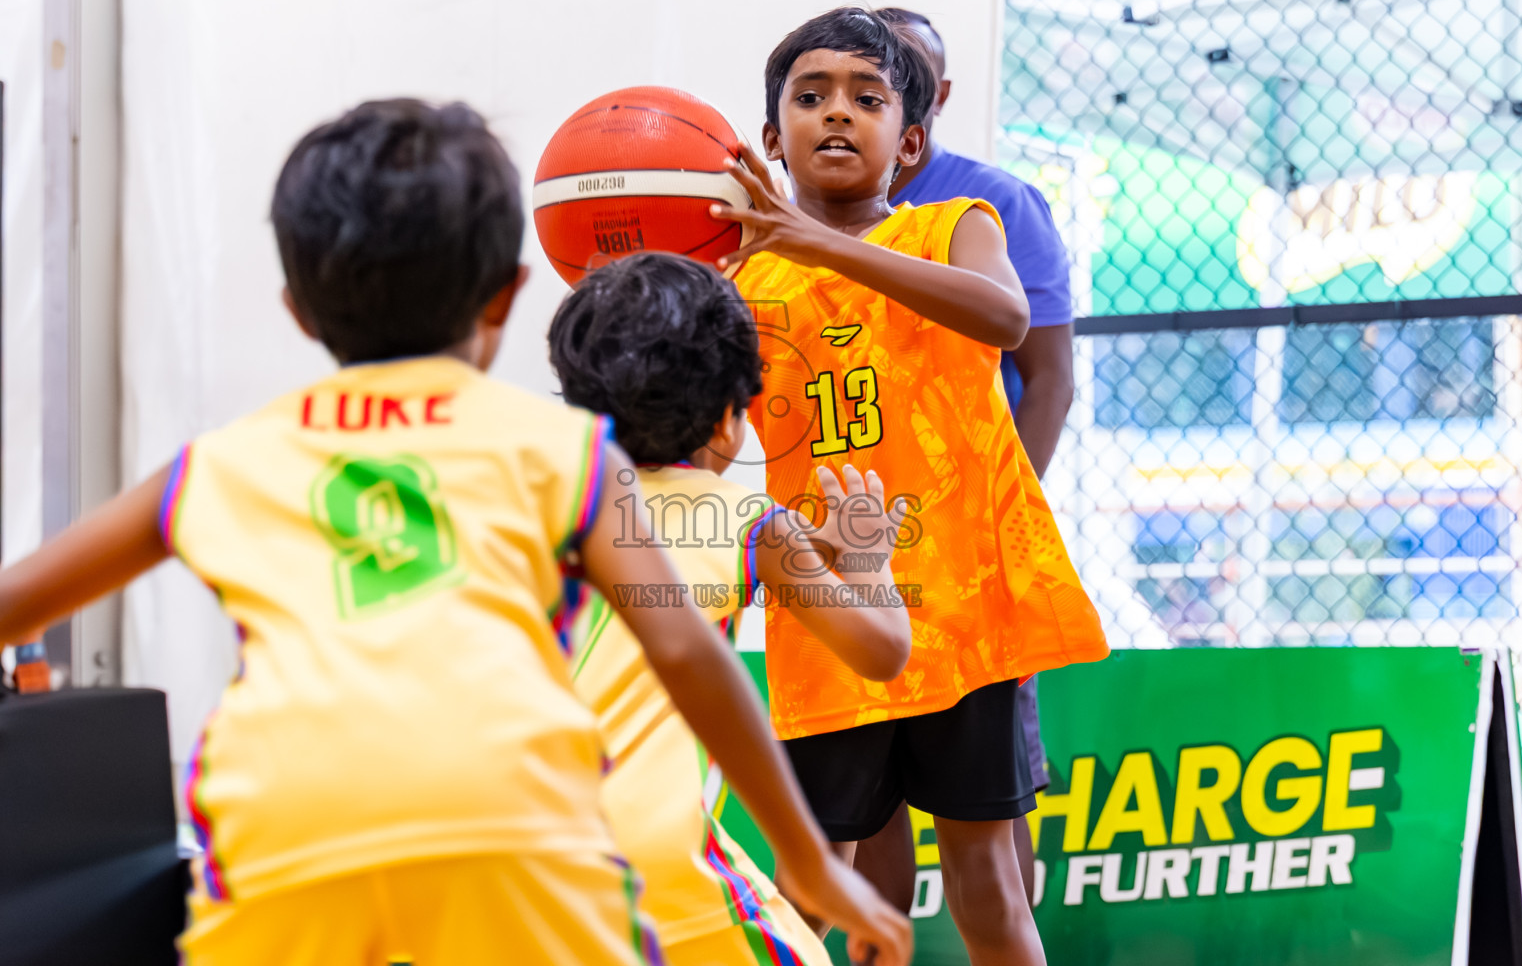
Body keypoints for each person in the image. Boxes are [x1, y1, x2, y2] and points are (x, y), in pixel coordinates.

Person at [0, 99, 911, 966]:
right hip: (509, 820)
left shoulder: (225, 460)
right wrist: (807, 857)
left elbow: (18, 603)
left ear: (297, 312)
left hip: (287, 819)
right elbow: (687, 651)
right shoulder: (560, 453)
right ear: (507, 298)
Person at [709, 8, 1109, 966]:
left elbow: (1008, 317)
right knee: (818, 882)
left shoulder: (955, 227)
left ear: (912, 139)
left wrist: (820, 244)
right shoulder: (743, 284)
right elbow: (710, 442)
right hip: (832, 614)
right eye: (810, 98)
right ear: (772, 140)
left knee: (987, 880)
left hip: (964, 613)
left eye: (867, 99)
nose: (836, 115)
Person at [548, 251, 914, 966]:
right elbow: (881, 649)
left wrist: (811, 550)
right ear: (726, 422)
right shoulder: (749, 519)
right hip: (657, 854)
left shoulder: (547, 503)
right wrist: (869, 563)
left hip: (525, 841)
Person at [847, 6, 1079, 915]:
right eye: (828, 84)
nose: (853, 101)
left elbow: (1048, 379)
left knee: (987, 807)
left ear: (931, 96)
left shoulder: (988, 207)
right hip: (858, 541)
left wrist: (999, 529)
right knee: (869, 805)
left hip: (968, 552)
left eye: (891, 74)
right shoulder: (800, 223)